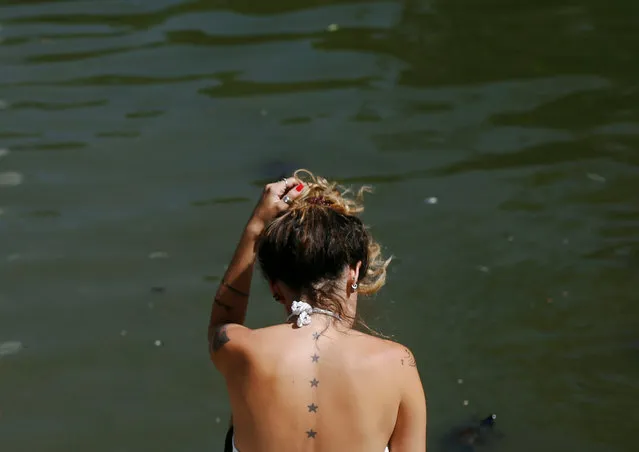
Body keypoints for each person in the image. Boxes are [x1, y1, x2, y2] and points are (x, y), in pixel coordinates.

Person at [208, 170, 427, 451]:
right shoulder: (398, 364)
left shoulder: (244, 351)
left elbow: (222, 322)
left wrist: (256, 226)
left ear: (275, 287)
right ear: (354, 273)